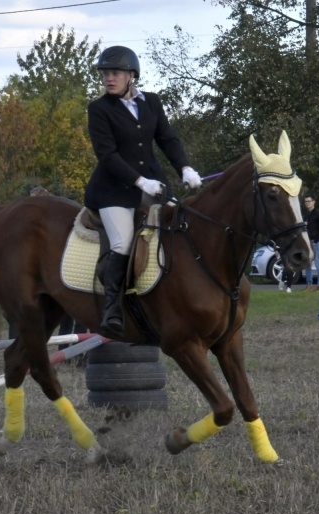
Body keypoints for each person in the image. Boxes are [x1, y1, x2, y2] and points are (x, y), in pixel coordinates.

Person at [84, 45, 201, 337]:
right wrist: (140, 181)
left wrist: (185, 168)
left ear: (131, 76)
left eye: (115, 73)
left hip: (154, 185)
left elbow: (167, 139)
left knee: (183, 225)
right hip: (113, 191)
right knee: (122, 243)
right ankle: (112, 309)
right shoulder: (98, 109)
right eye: (105, 74)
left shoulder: (151, 102)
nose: (108, 78)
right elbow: (107, 156)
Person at [302, 194, 319, 291]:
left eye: (309, 201)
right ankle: (309, 284)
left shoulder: (318, 213)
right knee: (307, 263)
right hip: (307, 242)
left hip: (316, 241)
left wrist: (317, 240)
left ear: (313, 202)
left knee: (317, 263)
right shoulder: (306, 214)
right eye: (306, 202)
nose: (307, 203)